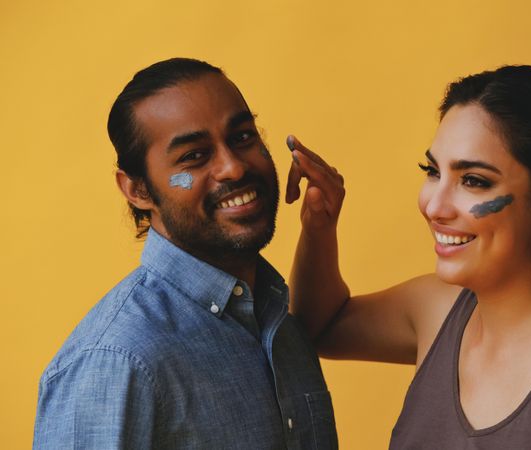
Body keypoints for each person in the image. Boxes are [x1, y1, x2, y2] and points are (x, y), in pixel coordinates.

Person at [288, 65, 531, 449]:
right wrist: (319, 225)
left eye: (473, 180)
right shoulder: (437, 309)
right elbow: (317, 327)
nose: (435, 206)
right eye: (432, 171)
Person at [33, 58, 339, 449]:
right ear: (138, 190)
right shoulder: (116, 361)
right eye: (194, 156)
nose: (232, 167)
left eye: (243, 136)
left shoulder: (278, 320)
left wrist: (320, 228)